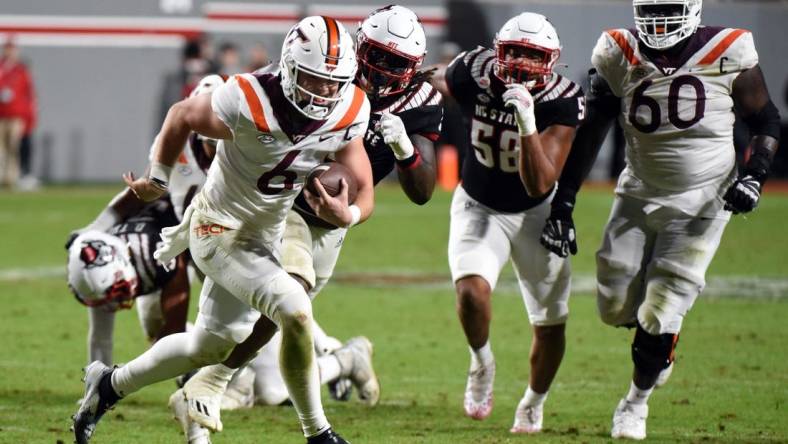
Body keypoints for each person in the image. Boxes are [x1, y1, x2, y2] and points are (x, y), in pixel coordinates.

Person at [72, 16, 374, 444]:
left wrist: (349, 215)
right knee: (295, 309)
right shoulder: (249, 97)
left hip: (266, 233)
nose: (325, 91)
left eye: (334, 81)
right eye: (313, 79)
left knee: (208, 347)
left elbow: (364, 191)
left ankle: (107, 385)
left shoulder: (349, 107)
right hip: (218, 227)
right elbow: (180, 116)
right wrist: (157, 178)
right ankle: (319, 434)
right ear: (290, 67)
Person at [172, 5, 443, 442]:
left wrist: (403, 149)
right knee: (288, 296)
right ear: (360, 46)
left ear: (412, 67)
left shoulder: (420, 101)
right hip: (283, 202)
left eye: (397, 63)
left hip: (335, 220)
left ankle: (341, 360)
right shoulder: (326, 68)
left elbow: (423, 190)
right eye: (377, 55)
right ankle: (220, 378)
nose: (384, 71)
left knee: (277, 376)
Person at [544, 0, 781, 439]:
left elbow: (766, 117)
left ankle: (636, 401)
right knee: (613, 308)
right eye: (652, 9)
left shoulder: (728, 48)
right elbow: (595, 126)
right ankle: (657, 344)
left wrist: (755, 175)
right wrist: (564, 202)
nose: (660, 20)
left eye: (669, 9)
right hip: (638, 191)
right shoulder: (619, 50)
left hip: (704, 199)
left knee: (658, 313)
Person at [430, 12, 585, 434]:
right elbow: (443, 80)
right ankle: (481, 362)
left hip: (536, 212)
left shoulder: (562, 99)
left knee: (551, 320)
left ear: (551, 62)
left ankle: (534, 402)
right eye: (513, 51)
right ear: (497, 50)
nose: (519, 62)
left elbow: (539, 183)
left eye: (532, 55)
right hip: (479, 203)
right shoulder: (473, 71)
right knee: (471, 294)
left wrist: (527, 121)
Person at [67, 202, 190, 366]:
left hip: (196, 239)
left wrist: (126, 375)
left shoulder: (160, 258)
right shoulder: (96, 263)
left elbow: (175, 329)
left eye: (115, 292)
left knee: (163, 323)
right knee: (149, 324)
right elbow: (100, 337)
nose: (112, 305)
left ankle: (208, 372)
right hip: (143, 255)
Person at [0, 38, 36, 189]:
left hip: (16, 116)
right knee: (1, 149)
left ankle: (11, 178)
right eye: (7, 49)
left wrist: (29, 118)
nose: (10, 52)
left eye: (12, 49)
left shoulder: (21, 70)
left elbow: (30, 95)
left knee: (14, 147)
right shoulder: (1, 68)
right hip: (1, 115)